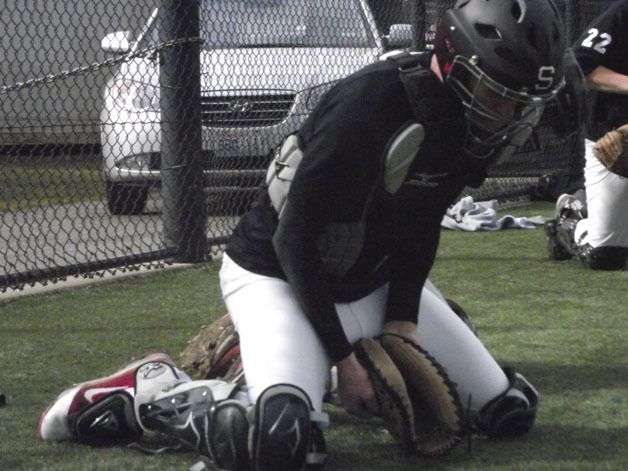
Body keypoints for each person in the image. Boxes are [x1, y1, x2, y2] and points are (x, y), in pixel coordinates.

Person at [39, 1, 567, 469]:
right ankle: (152, 391)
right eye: (500, 95)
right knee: (284, 439)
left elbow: (421, 221)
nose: (511, 114)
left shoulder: (471, 123)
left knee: (507, 412)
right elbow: (294, 239)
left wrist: (402, 321)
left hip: (368, 281)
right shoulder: (371, 104)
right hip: (278, 277)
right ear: (454, 63)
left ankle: (290, 372)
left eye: (522, 100)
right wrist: (345, 358)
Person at [545, 0, 628, 270]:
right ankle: (572, 218)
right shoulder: (621, 14)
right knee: (605, 255)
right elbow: (579, 65)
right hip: (613, 144)